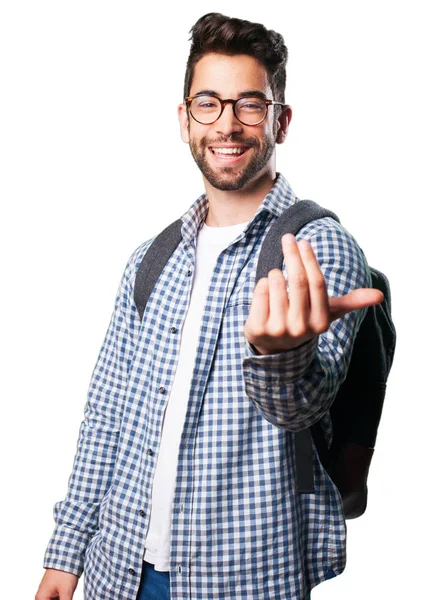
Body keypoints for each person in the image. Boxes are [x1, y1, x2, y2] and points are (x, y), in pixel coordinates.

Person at [35, 12, 383, 600]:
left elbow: (304, 407)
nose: (229, 124)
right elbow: (107, 414)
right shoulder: (151, 259)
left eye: (251, 104)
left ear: (281, 121)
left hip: (246, 576)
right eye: (209, 103)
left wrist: (282, 357)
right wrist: (66, 554)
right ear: (184, 118)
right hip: (119, 571)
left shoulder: (320, 248)